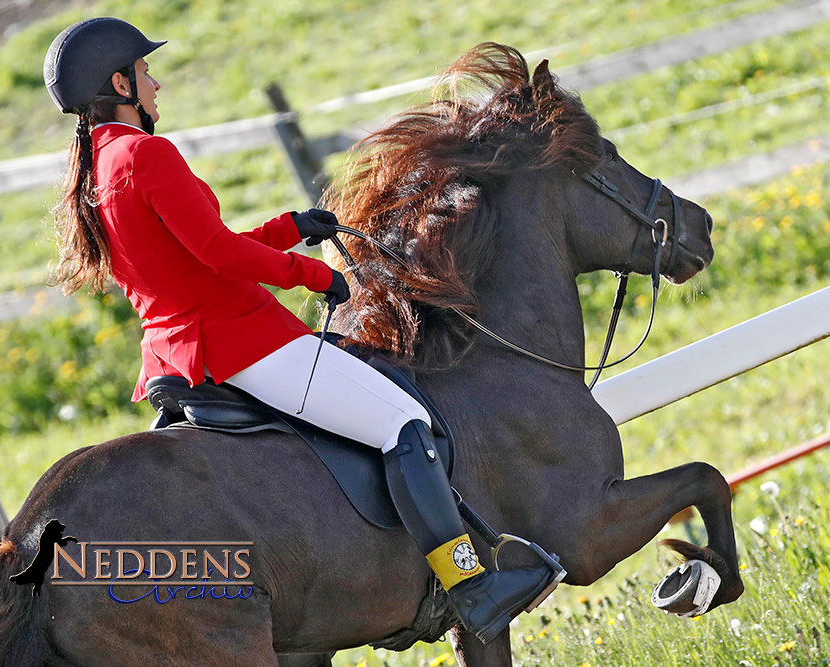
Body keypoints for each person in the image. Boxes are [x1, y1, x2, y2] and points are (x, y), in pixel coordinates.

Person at [43, 17, 558, 643]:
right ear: (119, 82)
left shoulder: (96, 169)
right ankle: (472, 588)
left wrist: (289, 228)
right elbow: (217, 254)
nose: (156, 83)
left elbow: (193, 256)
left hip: (174, 357)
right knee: (404, 424)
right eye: (146, 72)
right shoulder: (146, 153)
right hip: (240, 342)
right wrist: (310, 275)